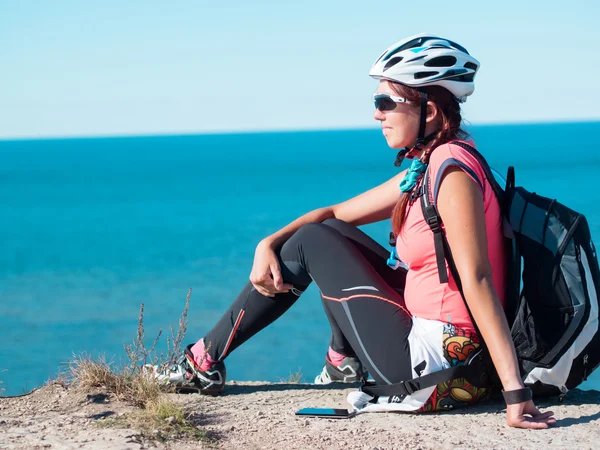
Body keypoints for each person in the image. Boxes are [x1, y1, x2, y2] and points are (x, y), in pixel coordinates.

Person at [156, 33, 556, 428]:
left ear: (429, 110)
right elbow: (334, 213)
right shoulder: (429, 166)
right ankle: (341, 362)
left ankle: (201, 363)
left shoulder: (451, 172)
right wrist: (269, 242)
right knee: (328, 231)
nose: (376, 114)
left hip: (444, 367)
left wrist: (514, 392)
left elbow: (479, 278)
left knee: (313, 241)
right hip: (438, 346)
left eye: (386, 103)